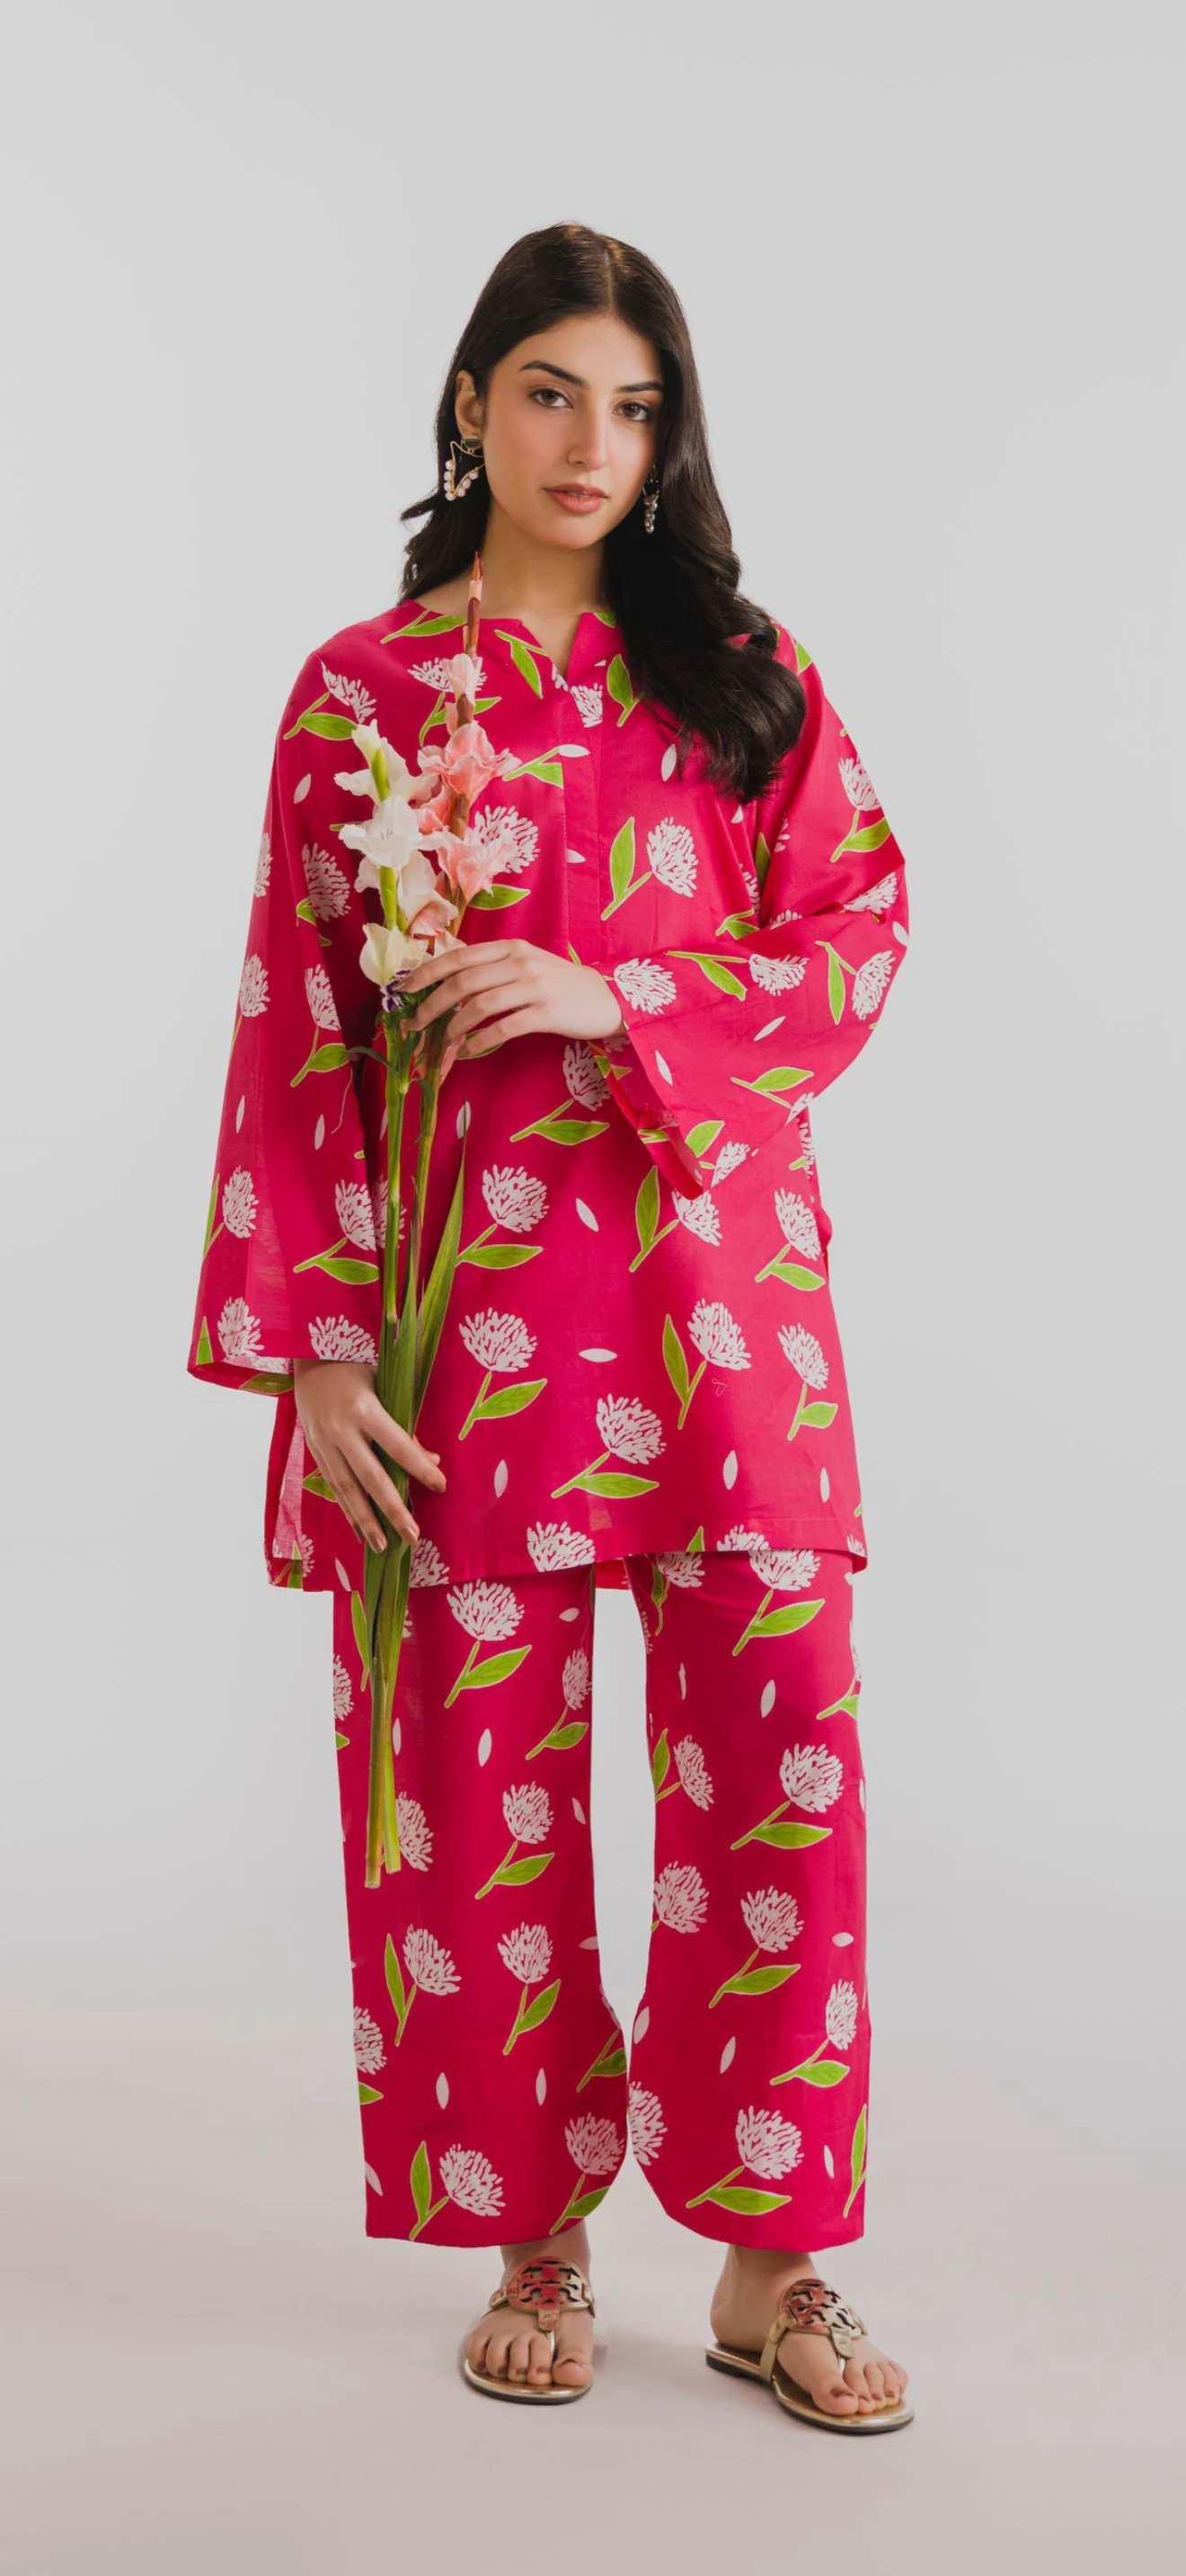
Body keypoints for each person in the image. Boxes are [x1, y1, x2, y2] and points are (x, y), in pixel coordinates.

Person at [187, 221, 913, 2430]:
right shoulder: (363, 692)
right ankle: (535, 2235)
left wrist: (622, 999)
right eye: (551, 393)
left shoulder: (746, 676)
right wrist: (318, 1351)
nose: (595, 443)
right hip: (459, 1322)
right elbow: (296, 1030)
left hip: (721, 1311)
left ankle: (772, 2268)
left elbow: (857, 939)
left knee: (783, 1769)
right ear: (471, 404)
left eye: (637, 406)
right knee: (468, 1783)